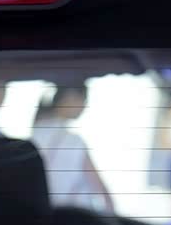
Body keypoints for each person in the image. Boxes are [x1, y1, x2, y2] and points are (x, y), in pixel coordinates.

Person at [29, 85, 114, 213]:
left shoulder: (35, 134)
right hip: (76, 215)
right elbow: (99, 188)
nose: (84, 107)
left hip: (45, 214)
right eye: (83, 100)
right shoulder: (73, 140)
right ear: (70, 97)